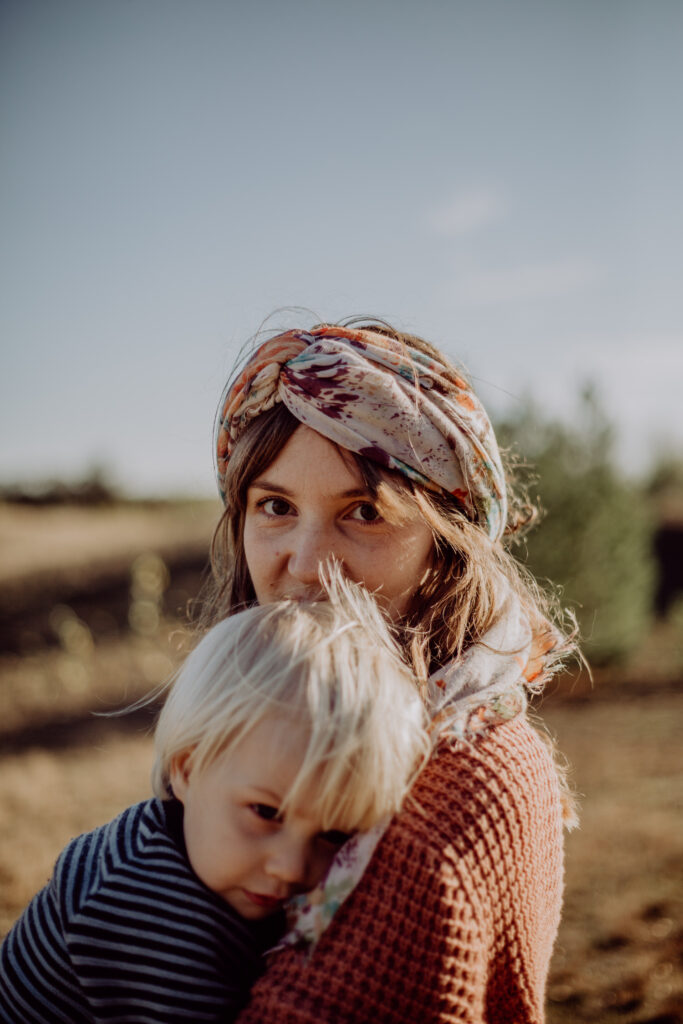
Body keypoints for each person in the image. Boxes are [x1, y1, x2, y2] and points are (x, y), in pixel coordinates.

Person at [204, 318, 577, 1024]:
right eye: (275, 506)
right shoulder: (265, 725)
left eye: (365, 512)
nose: (308, 562)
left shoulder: (451, 789)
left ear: (446, 545)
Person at [0, 576, 429, 1024]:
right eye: (266, 813)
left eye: (333, 835)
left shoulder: (193, 847)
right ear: (186, 769)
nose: (292, 867)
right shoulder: (148, 912)